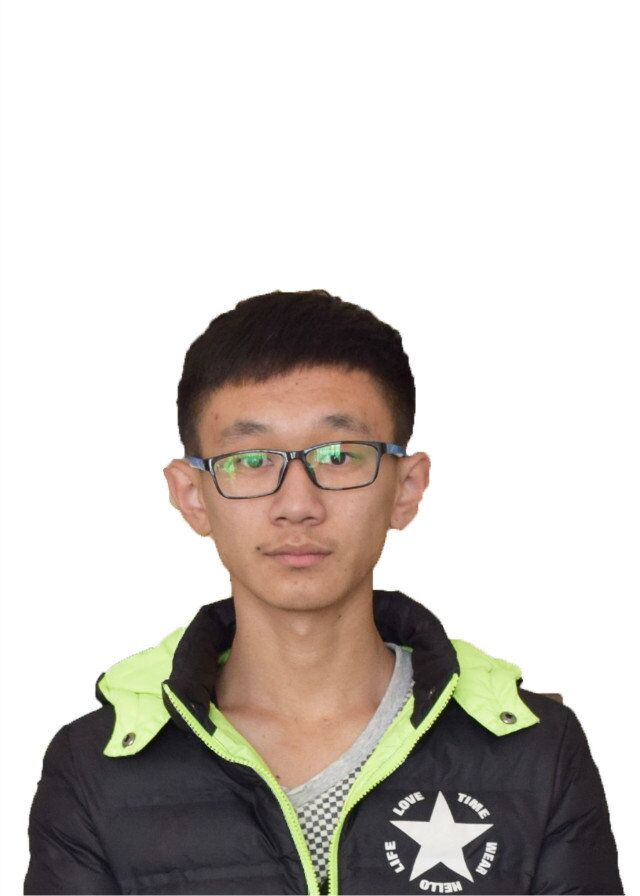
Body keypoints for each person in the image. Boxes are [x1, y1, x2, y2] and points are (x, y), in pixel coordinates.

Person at [24, 289, 623, 895]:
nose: (297, 504)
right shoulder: (95, 769)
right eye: (250, 460)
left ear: (407, 487)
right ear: (192, 495)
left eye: (339, 456)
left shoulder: (535, 751)